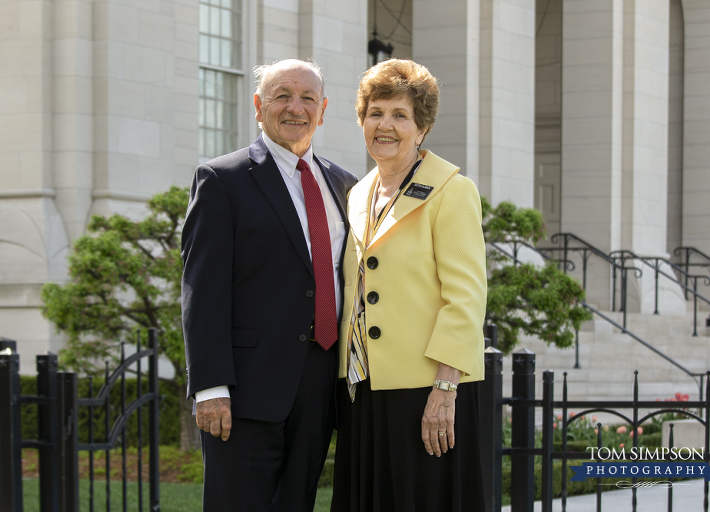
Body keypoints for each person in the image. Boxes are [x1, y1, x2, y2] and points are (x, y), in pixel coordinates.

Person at [181, 59, 357, 512]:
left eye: (307, 98)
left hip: (320, 389)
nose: (295, 107)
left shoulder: (344, 185)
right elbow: (202, 291)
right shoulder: (222, 179)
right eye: (282, 95)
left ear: (322, 110)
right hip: (244, 392)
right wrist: (210, 387)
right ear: (259, 106)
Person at [330, 59, 488, 512]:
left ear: (422, 129)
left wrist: (445, 388)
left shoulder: (451, 191)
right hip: (363, 389)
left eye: (400, 115)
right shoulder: (358, 194)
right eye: (375, 112)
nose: (386, 125)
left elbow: (466, 296)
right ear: (362, 121)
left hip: (428, 389)